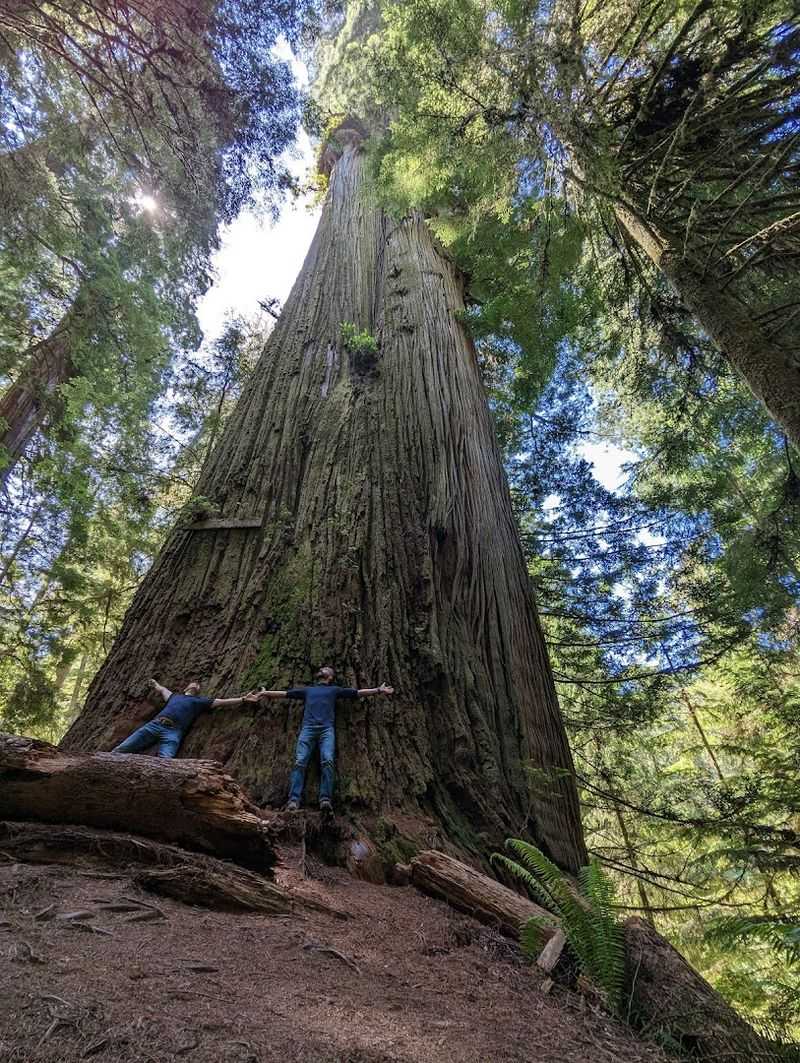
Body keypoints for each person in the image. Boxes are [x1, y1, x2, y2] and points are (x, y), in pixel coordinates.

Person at [258, 665, 394, 811]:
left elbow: (357, 693)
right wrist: (266, 693)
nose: (323, 669)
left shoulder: (334, 690)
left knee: (327, 761)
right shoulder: (308, 690)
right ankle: (293, 799)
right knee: (300, 761)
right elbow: (286, 694)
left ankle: (325, 799)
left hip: (326, 730)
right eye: (322, 669)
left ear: (330, 677)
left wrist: (378, 690)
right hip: (308, 729)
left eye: (327, 669)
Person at [111, 678, 261, 759]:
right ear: (185, 688)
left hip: (173, 732)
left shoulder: (199, 701)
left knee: (166, 763)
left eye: (198, 685)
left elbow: (221, 702)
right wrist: (155, 684)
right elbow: (162, 689)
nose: (196, 684)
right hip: (154, 725)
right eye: (193, 683)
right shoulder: (174, 697)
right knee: (123, 748)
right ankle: (105, 763)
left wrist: (242, 699)